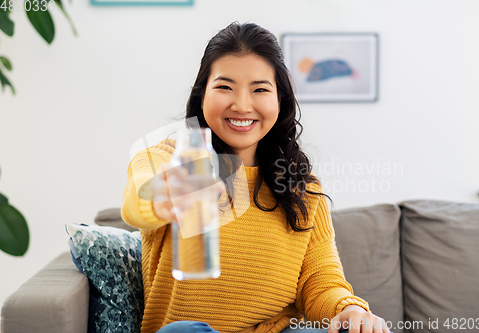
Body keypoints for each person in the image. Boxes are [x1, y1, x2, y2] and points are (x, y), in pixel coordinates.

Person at [121, 21, 390, 333]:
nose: (242, 105)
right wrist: (159, 196)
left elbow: (320, 282)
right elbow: (135, 204)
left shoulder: (302, 186)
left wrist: (349, 309)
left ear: (280, 100)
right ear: (202, 95)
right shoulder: (168, 158)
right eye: (224, 87)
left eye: (260, 89)